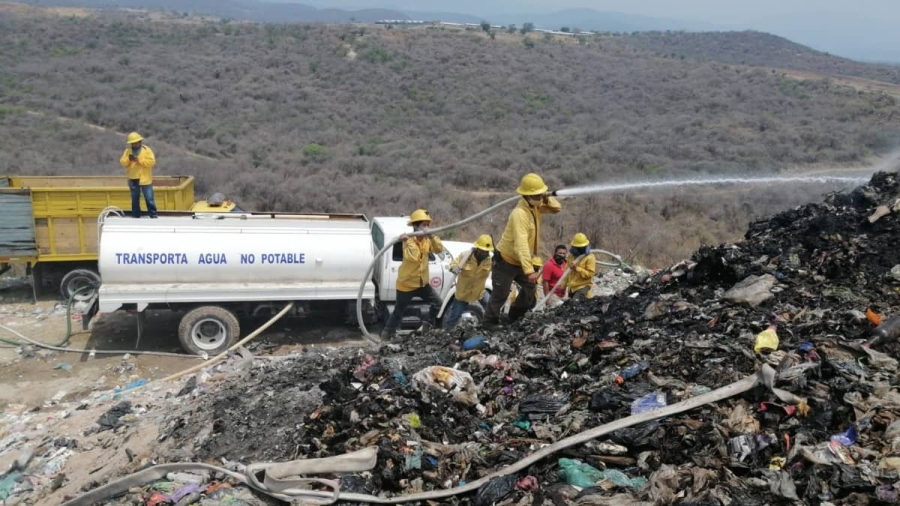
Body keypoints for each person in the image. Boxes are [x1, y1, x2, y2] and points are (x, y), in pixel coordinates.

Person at [484, 173, 562, 327]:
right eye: (537, 194)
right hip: (506, 261)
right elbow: (521, 244)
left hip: (520, 261)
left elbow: (556, 208)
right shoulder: (519, 214)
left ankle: (513, 318)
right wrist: (529, 270)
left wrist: (546, 197)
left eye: (541, 193)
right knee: (500, 294)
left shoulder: (535, 206)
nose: (540, 197)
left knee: (529, 291)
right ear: (527, 195)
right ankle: (488, 324)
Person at [381, 209, 444, 340]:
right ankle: (387, 334)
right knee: (399, 311)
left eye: (428, 225)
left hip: (422, 283)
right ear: (415, 226)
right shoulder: (408, 241)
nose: (427, 228)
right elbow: (414, 258)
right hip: (407, 285)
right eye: (424, 225)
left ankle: (427, 326)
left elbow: (439, 249)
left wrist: (432, 237)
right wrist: (407, 241)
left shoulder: (427, 240)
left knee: (438, 303)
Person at [444, 235, 494, 330]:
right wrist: (454, 268)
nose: (485, 253)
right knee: (453, 317)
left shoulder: (489, 260)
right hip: (463, 293)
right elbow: (453, 264)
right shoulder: (465, 256)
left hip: (479, 292)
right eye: (483, 251)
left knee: (492, 309)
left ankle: (490, 328)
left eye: (487, 251)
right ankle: (446, 332)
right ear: (477, 249)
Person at [119, 132, 157, 219]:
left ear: (140, 142)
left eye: (136, 142)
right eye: (132, 143)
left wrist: (140, 161)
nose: (134, 144)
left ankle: (153, 215)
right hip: (133, 178)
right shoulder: (128, 151)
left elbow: (151, 162)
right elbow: (122, 162)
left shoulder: (146, 150)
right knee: (135, 199)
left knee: (149, 199)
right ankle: (136, 215)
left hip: (145, 179)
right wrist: (128, 159)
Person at [566, 232, 596, 300]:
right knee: (571, 305)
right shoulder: (571, 256)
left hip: (583, 286)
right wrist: (563, 286)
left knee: (575, 303)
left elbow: (590, 274)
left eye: (581, 248)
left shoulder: (590, 257)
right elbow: (567, 272)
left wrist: (577, 268)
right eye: (578, 247)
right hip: (572, 288)